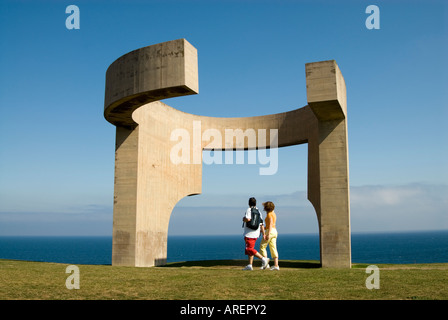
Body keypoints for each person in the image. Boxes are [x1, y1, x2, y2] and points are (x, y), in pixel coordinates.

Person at [242, 197, 269, 271]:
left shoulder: (249, 210)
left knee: (249, 249)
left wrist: (243, 219)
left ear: (249, 203)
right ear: (256, 203)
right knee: (250, 250)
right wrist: (263, 234)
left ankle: (263, 259)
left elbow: (248, 219)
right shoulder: (258, 211)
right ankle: (250, 265)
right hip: (256, 233)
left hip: (249, 233)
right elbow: (261, 224)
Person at [259, 201, 279, 270]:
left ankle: (266, 263)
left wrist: (267, 234)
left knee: (262, 246)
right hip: (274, 231)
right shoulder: (273, 214)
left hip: (270, 231)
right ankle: (276, 265)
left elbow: (270, 224)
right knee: (273, 248)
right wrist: (263, 229)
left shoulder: (269, 214)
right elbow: (271, 225)